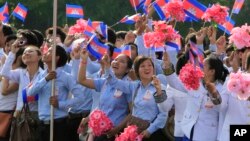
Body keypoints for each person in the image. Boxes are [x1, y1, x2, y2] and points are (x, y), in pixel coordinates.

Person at [161, 49, 229, 140]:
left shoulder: (222, 88)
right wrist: (167, 65)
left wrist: (213, 93)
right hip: (188, 129)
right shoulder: (195, 80)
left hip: (206, 134)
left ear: (212, 71)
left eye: (203, 66)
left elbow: (221, 108)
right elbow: (175, 83)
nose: (199, 67)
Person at [103, 55, 168, 141]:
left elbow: (163, 114)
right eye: (142, 66)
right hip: (133, 132)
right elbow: (113, 82)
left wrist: (149, 130)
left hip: (151, 134)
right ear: (137, 71)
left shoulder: (160, 87)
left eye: (149, 65)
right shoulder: (135, 86)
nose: (147, 68)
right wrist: (107, 67)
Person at [26, 45, 82, 141]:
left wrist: (60, 104)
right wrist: (46, 79)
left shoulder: (65, 77)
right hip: (43, 124)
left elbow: (80, 98)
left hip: (59, 124)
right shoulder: (41, 76)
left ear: (57, 57)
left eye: (50, 51)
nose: (45, 53)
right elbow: (30, 92)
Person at [78, 48, 133, 141]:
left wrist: (117, 129)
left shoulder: (128, 86)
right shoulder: (105, 82)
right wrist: (83, 60)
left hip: (114, 133)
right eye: (115, 60)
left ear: (128, 69)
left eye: (122, 61)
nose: (116, 62)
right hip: (98, 131)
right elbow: (82, 80)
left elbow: (132, 112)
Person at [1, 44, 44, 141]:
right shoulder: (20, 72)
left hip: (38, 115)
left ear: (39, 56)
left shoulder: (44, 75)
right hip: (21, 115)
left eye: (30, 51)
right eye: (25, 52)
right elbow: (4, 73)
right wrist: (12, 53)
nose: (26, 53)